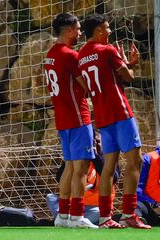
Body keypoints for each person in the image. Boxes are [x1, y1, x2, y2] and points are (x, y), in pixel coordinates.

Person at [78, 13, 150, 229]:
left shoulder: (81, 55)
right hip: (120, 113)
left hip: (101, 116)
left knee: (108, 166)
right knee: (135, 161)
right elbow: (128, 77)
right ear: (99, 30)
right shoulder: (108, 50)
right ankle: (129, 213)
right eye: (107, 28)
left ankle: (105, 218)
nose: (109, 32)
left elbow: (93, 82)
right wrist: (131, 65)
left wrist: (122, 67)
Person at [44, 13, 97, 228]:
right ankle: (77, 216)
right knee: (81, 168)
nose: (80, 33)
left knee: (69, 167)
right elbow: (86, 85)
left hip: (62, 118)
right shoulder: (70, 55)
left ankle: (63, 216)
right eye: (77, 29)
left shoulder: (50, 55)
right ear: (68, 31)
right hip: (78, 117)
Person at [46, 154, 118, 225]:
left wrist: (96, 157)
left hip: (95, 207)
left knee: (100, 213)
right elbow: (59, 178)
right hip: (72, 206)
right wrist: (70, 160)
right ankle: (67, 218)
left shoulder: (107, 156)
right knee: (51, 198)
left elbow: (114, 178)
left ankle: (68, 220)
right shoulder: (76, 160)